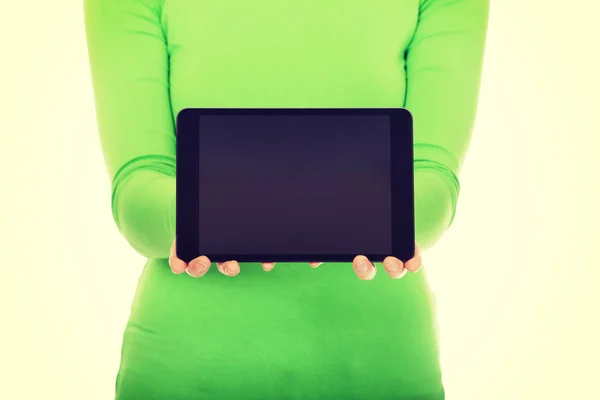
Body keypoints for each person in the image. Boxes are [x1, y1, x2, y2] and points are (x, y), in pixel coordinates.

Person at [84, 0, 489, 398]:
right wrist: (257, 215)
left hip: (382, 372)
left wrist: (244, 211)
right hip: (183, 374)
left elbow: (433, 184)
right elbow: (138, 191)